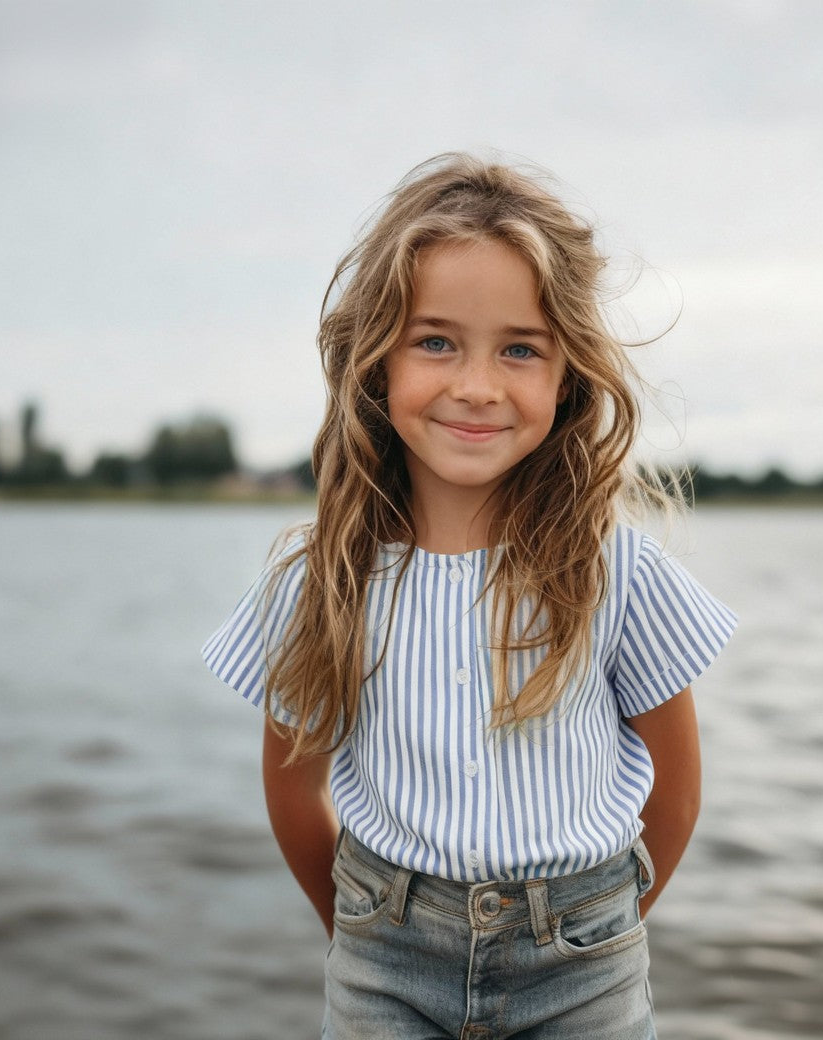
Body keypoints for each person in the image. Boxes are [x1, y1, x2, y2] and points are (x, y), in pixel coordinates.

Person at [202, 153, 737, 1039]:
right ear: (376, 359)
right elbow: (294, 792)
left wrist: (601, 930)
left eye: (519, 349)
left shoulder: (615, 569)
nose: (477, 386)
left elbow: (674, 795)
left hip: (584, 972)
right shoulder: (318, 582)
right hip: (385, 963)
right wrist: (364, 933)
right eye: (436, 340)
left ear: (565, 377)